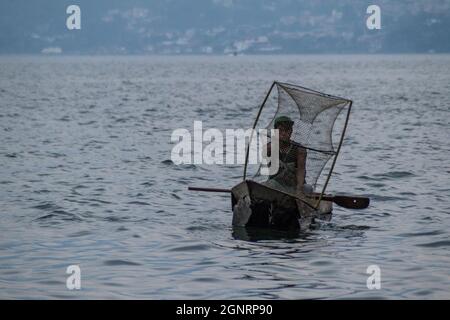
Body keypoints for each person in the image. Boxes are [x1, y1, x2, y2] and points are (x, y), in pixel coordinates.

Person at [263, 116, 312, 194]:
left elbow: (301, 170)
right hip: (276, 184)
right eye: (280, 130)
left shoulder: (300, 150)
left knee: (308, 188)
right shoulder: (269, 148)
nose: (283, 133)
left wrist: (299, 189)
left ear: (291, 132)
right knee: (269, 185)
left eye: (286, 130)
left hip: (294, 185)